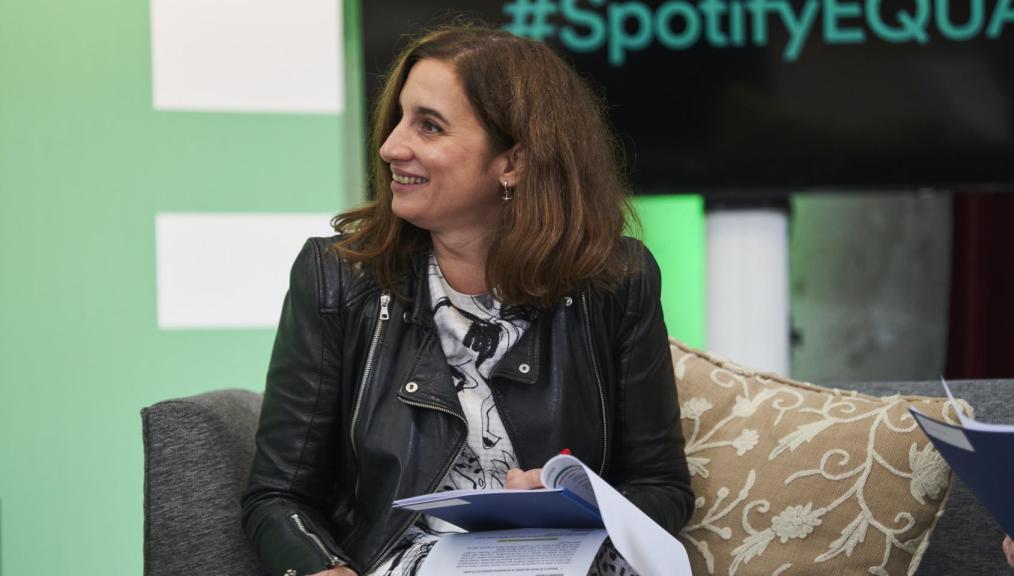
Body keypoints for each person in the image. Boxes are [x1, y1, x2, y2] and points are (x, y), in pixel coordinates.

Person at [241, 23, 694, 576]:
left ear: (513, 163)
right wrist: (327, 570)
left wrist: (586, 505)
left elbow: (662, 487)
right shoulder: (336, 276)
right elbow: (277, 499)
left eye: (428, 126)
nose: (390, 146)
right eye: (399, 119)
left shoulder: (616, 280)